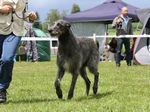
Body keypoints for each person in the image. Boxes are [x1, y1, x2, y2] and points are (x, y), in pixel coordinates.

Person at [0, 0, 37, 103]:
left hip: (15, 31)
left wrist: (30, 16)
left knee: (7, 59)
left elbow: (21, 12)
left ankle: (1, 89)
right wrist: (1, 9)